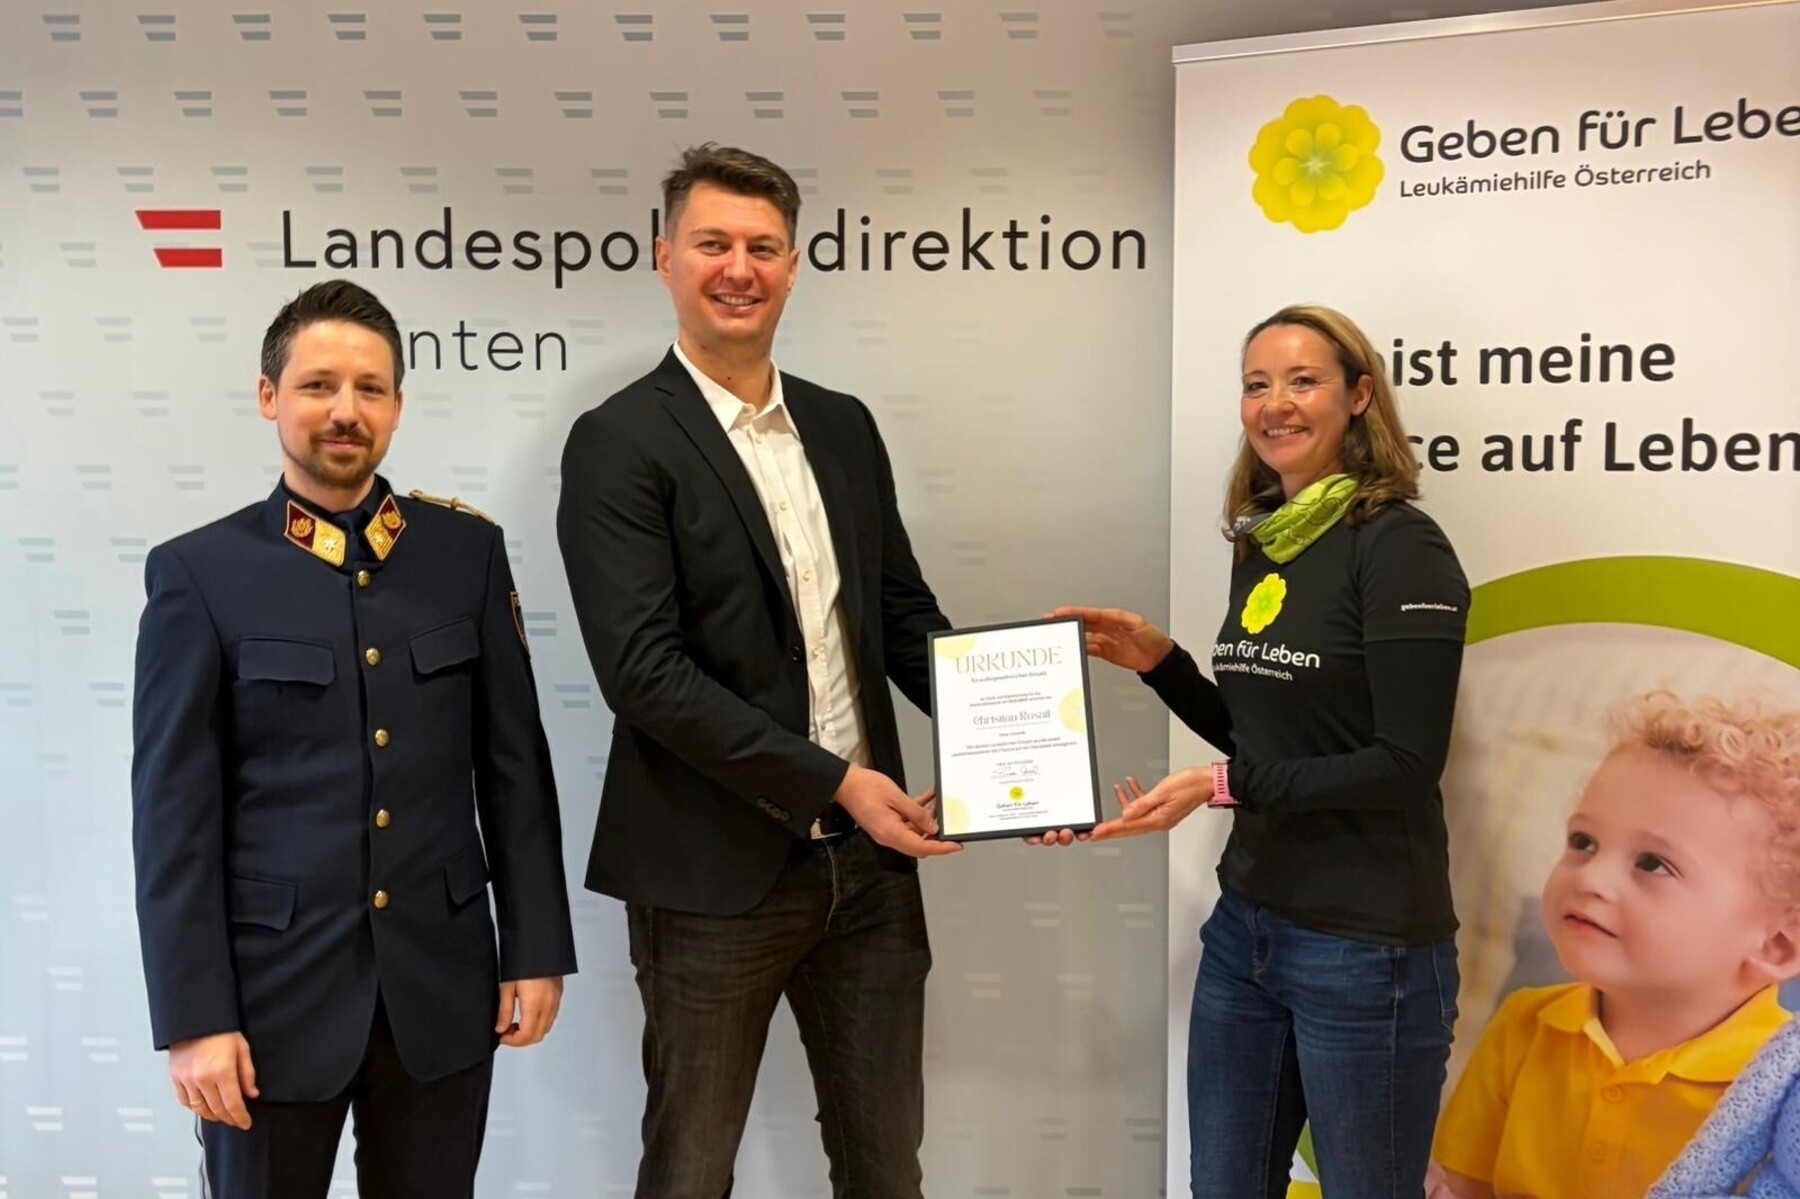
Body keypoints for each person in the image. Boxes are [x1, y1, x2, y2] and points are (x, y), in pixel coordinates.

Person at [555, 143, 959, 1199]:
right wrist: (835, 781)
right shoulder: (617, 441)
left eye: (764, 247)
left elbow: (900, 616)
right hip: (708, 876)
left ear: (793, 265)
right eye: (713, 243)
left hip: (869, 874)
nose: (740, 268)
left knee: (887, 1170)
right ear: (665, 259)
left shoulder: (844, 424)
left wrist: (1009, 749)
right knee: (690, 1172)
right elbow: (644, 673)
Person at [130, 280, 577, 1199]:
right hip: (268, 1006)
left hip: (442, 986)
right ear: (270, 397)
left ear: (398, 406)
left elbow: (514, 769)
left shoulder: (465, 555)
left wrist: (534, 946)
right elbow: (173, 820)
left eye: (371, 388)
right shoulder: (200, 573)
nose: (346, 410)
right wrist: (193, 1016)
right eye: (319, 385)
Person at [1049, 304, 1469, 1198]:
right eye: (1256, 384)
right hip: (1247, 931)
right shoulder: (1268, 539)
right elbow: (1262, 739)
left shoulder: (1401, 546)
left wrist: (1221, 784)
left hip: (1366, 949)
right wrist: (1161, 664)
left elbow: (1405, 763)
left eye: (1303, 381)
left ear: (1360, 396)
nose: (1276, 403)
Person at [1431, 692, 1800, 1199]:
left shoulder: (1780, 1089)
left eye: (1652, 864)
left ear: (1776, 945)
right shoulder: (1524, 1026)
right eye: (1583, 842)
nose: (1591, 878)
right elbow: (1466, 1187)